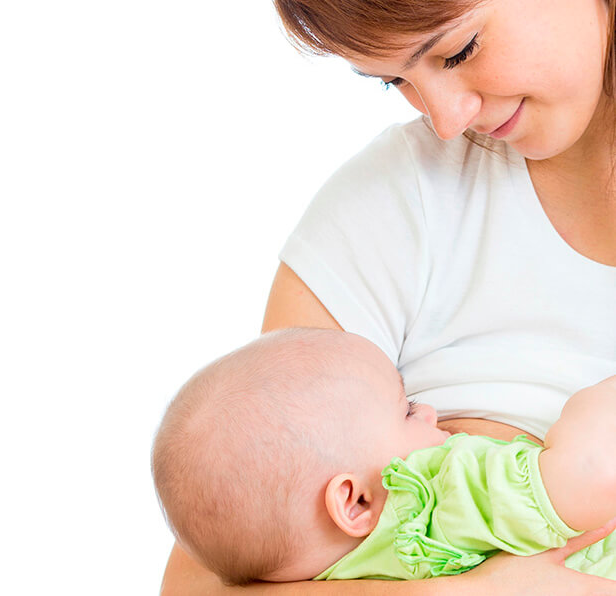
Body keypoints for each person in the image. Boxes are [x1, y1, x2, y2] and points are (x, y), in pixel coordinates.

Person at [161, 0, 616, 593]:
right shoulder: (399, 203)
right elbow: (203, 580)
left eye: (461, 49)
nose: (447, 119)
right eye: (396, 79)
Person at [153, 328, 616, 586]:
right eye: (409, 410)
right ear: (355, 502)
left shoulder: (331, 579)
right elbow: (591, 473)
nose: (432, 411)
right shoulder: (428, 503)